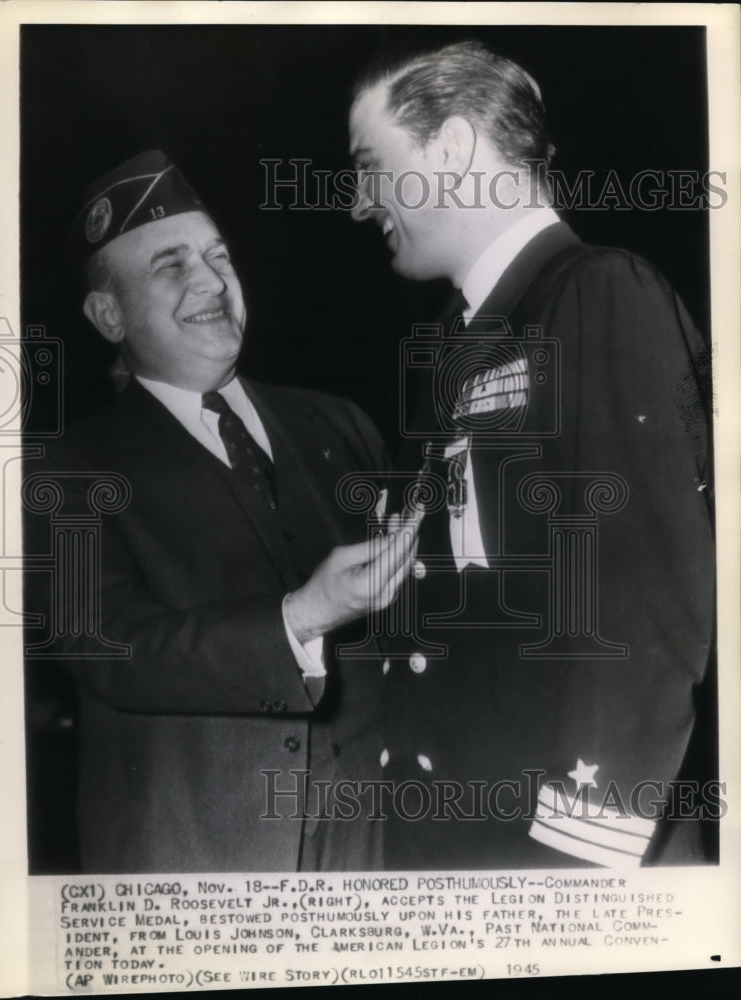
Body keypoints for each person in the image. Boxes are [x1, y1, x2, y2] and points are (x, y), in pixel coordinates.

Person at [348, 41, 715, 869]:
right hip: (461, 835)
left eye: (370, 166)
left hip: (559, 857)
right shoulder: (459, 335)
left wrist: (572, 859)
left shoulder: (594, 294)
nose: (357, 202)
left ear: (447, 150)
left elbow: (643, 601)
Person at [26, 149, 417, 874]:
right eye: (171, 265)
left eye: (217, 257)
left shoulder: (341, 426)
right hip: (194, 866)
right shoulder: (63, 470)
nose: (210, 281)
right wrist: (299, 617)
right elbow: (109, 648)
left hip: (369, 852)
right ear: (107, 314)